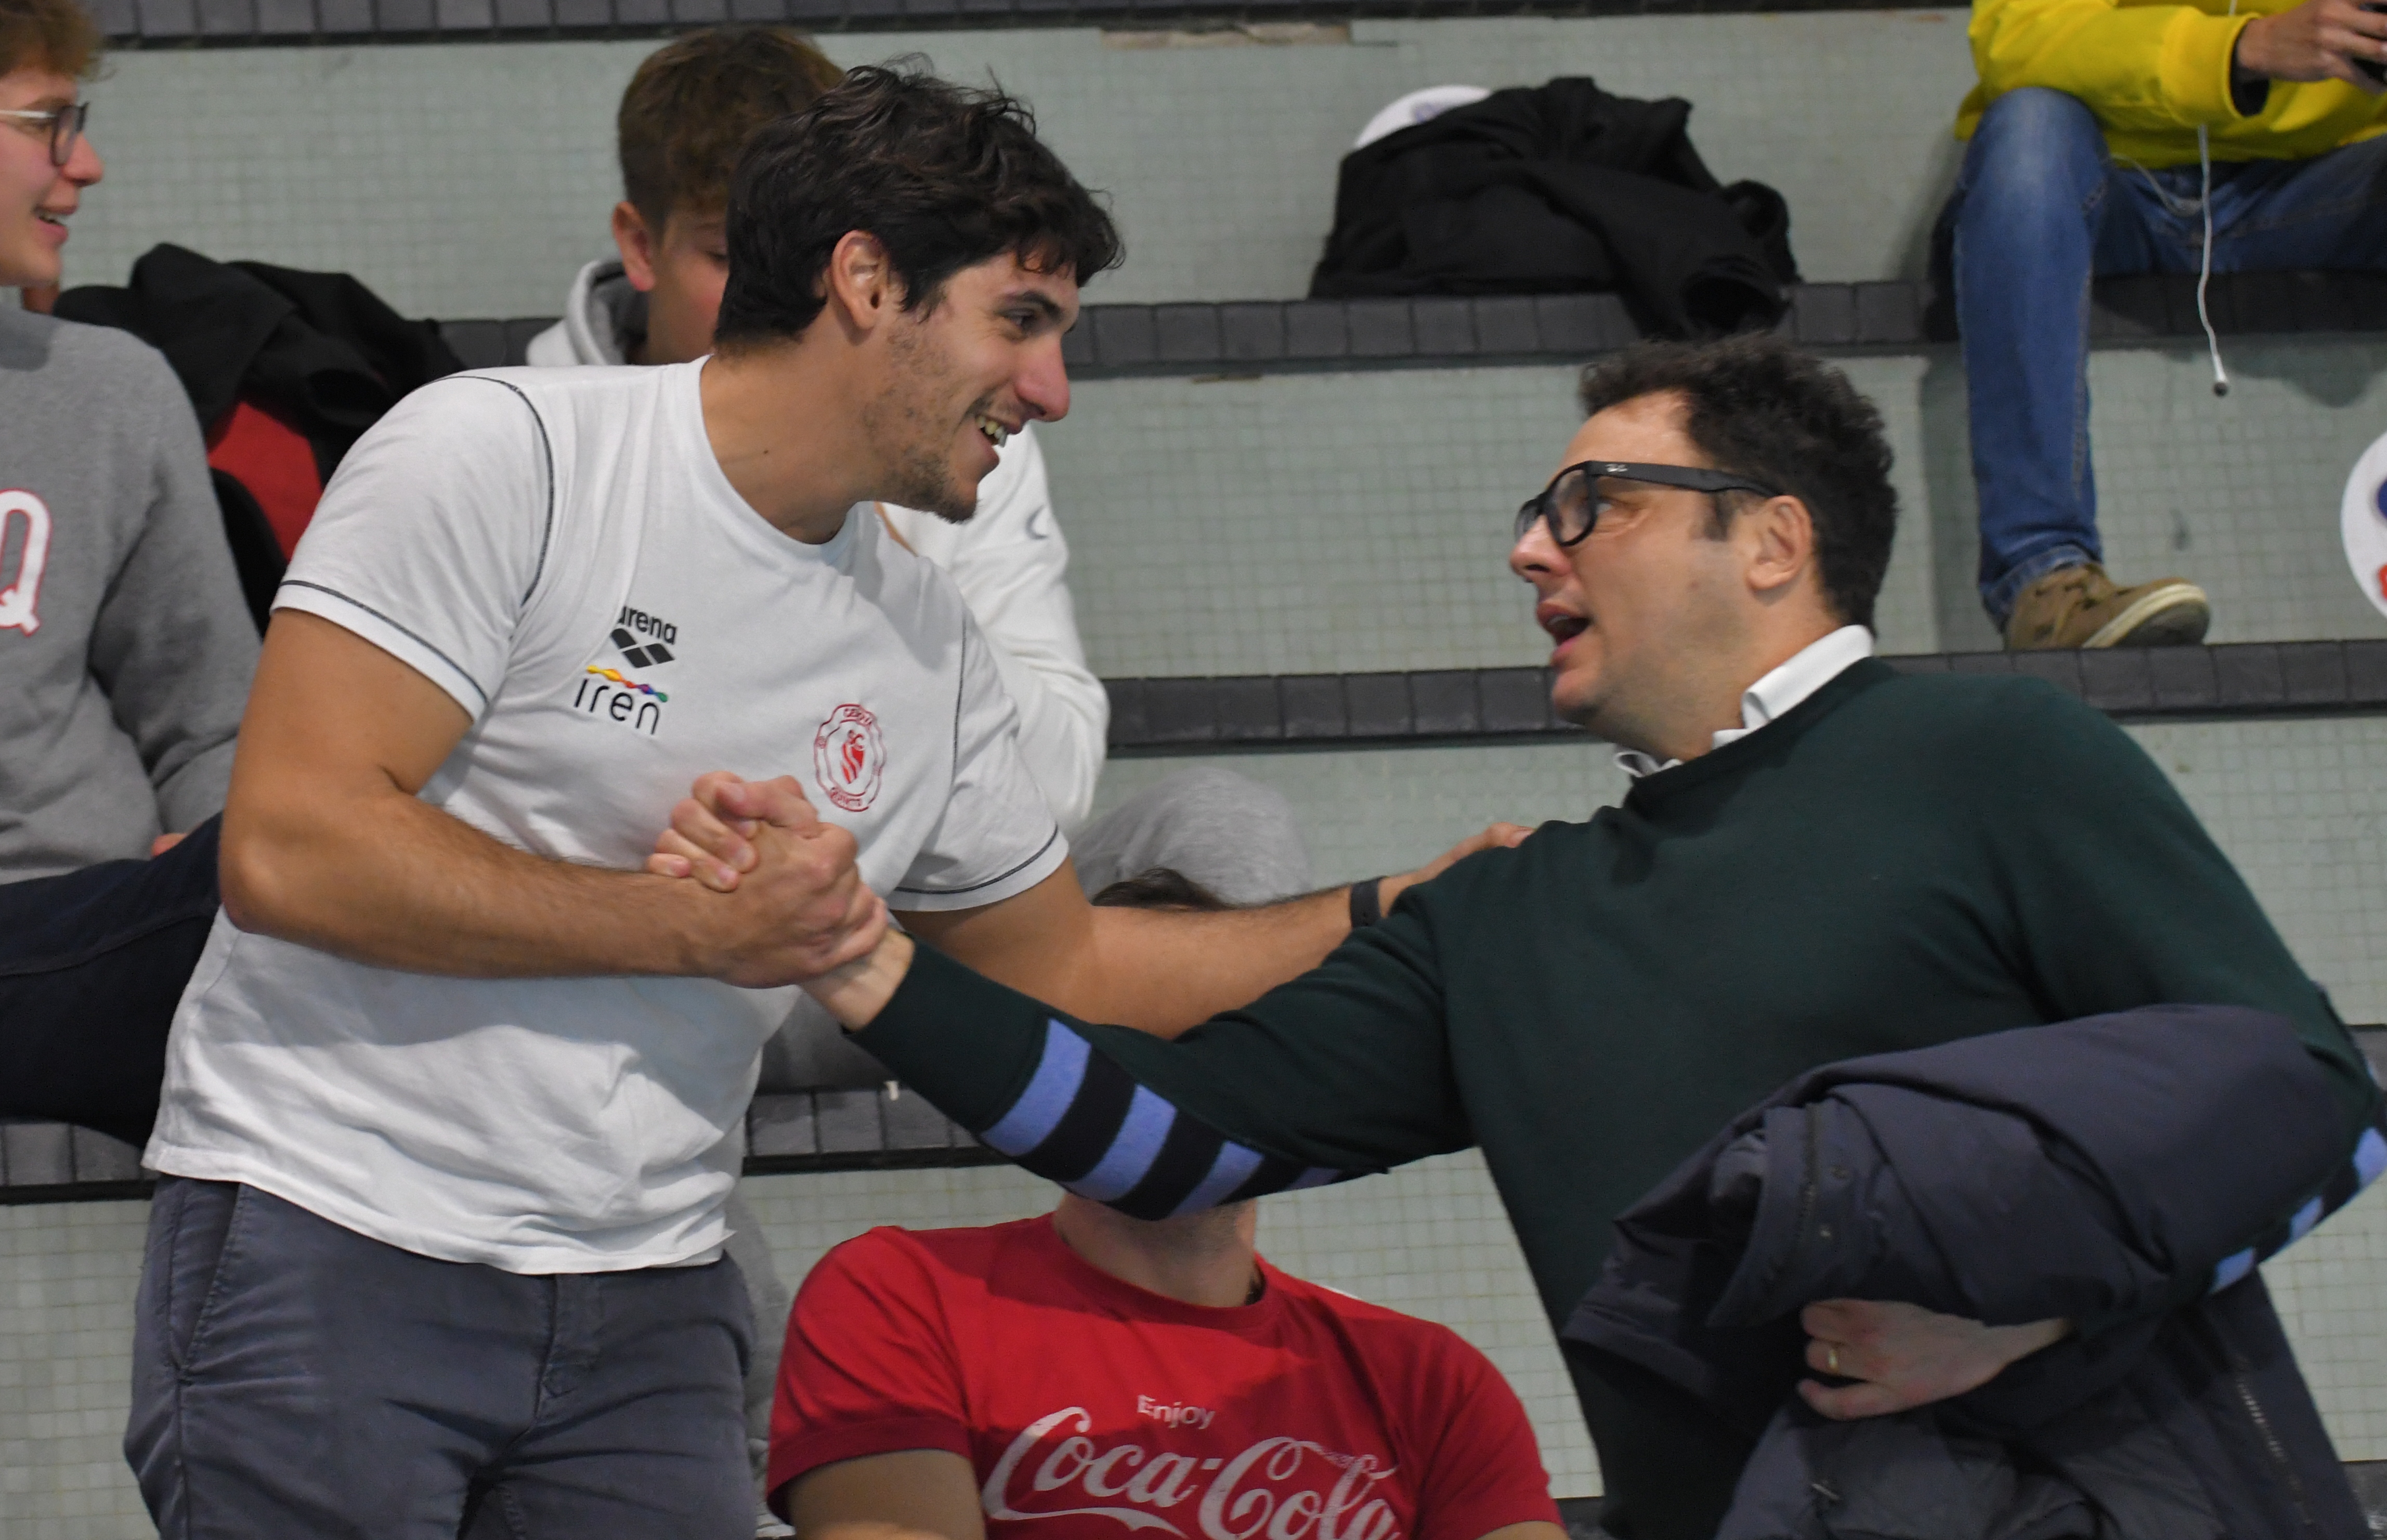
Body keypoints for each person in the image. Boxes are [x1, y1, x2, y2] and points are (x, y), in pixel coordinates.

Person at [683, 334, 2378, 1539]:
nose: (1525, 548)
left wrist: (2035, 1311)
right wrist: (863, 960)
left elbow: (2319, 1101)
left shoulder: (1995, 756)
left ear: (1770, 539)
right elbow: (1156, 1138)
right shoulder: (1512, 914)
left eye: (1591, 503)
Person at [125, 67, 1504, 1539]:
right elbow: (292, 848)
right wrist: (693, 927)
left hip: (650, 1296)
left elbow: (1072, 970)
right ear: (865, 281)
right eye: (1018, 321)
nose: (1049, 389)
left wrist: (1390, 912)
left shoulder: (928, 638)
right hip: (330, 1236)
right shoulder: (506, 450)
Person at [528, 26, 1307, 915]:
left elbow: (1053, 787)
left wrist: (873, 553)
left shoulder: (963, 441)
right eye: (727, 254)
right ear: (641, 245)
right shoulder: (527, 444)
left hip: (919, 903)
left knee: (1221, 820)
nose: (780, 287)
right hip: (670, 910)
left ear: (859, 269)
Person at [772, 868, 1564, 1540]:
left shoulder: (1429, 1379)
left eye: (1220, 1032)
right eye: (1135, 1036)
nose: (1178, 1068)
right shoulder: (900, 1292)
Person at [1940, 0, 2387, 649]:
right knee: (2028, 128)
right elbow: (2015, 40)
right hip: (2103, 181)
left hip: (2319, 188)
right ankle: (2043, 579)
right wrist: (2241, 48)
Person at [0, 0, 255, 879]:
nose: (87, 163)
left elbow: (209, 725)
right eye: (47, 122)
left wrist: (214, 860)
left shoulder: (111, 390)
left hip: (91, 918)